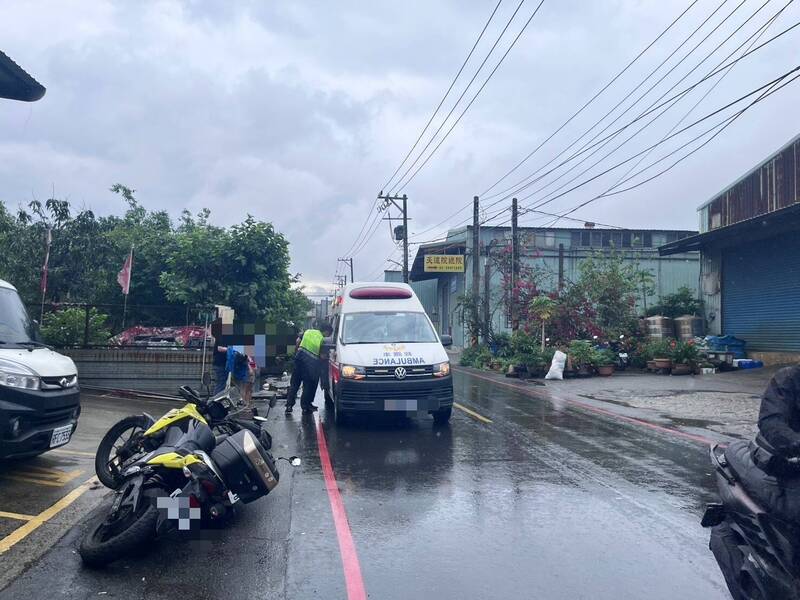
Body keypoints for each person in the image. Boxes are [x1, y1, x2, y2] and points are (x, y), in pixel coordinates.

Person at [286, 322, 332, 415]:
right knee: (308, 385)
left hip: (299, 359)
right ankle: (305, 407)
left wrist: (296, 353)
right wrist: (328, 356)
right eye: (329, 334)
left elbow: (298, 341)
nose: (328, 336)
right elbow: (322, 356)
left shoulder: (308, 331)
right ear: (326, 331)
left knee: (294, 383)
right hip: (310, 365)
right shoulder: (322, 340)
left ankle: (289, 406)